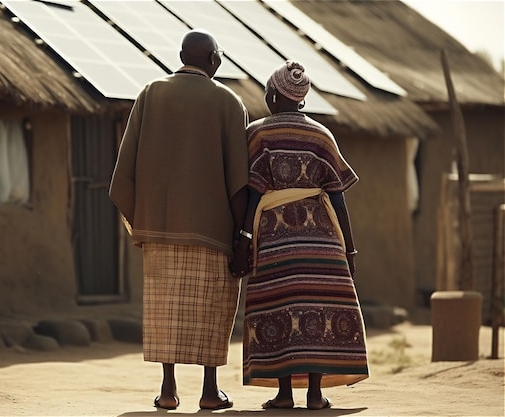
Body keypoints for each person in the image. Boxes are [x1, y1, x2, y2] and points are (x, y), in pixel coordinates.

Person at [109, 29, 249, 411]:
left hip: (159, 228)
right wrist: (243, 235)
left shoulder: (150, 94)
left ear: (182, 55)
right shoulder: (229, 103)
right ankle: (209, 391)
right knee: (212, 309)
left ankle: (168, 391)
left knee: (164, 311)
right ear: (214, 60)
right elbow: (238, 181)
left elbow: (124, 172)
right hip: (212, 232)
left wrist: (143, 221)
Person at [230, 60, 369, 410]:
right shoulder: (322, 135)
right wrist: (349, 249)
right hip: (321, 241)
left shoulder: (258, 134)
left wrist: (244, 237)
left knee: (279, 309)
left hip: (275, 238)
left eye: (267, 92)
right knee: (316, 311)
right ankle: (316, 394)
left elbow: (252, 192)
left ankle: (284, 394)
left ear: (275, 97)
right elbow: (337, 197)